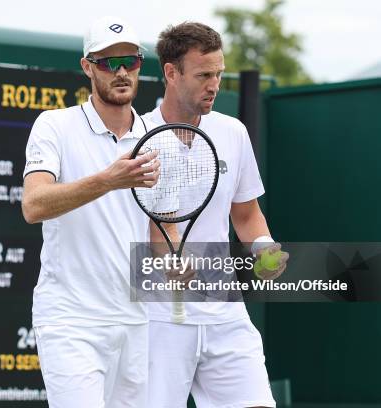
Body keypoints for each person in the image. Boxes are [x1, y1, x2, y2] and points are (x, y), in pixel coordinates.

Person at [143, 22, 288, 408]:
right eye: (203, 75)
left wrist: (263, 247)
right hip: (157, 318)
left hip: (225, 311)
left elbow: (246, 213)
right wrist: (169, 256)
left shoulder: (233, 132)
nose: (214, 84)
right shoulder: (137, 136)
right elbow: (150, 226)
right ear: (171, 73)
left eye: (219, 74)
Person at [22, 16, 159, 408]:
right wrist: (107, 180)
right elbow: (33, 205)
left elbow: (159, 238)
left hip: (136, 324)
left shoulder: (155, 136)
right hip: (71, 322)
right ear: (87, 67)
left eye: (129, 62)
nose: (120, 72)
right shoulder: (55, 125)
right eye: (106, 62)